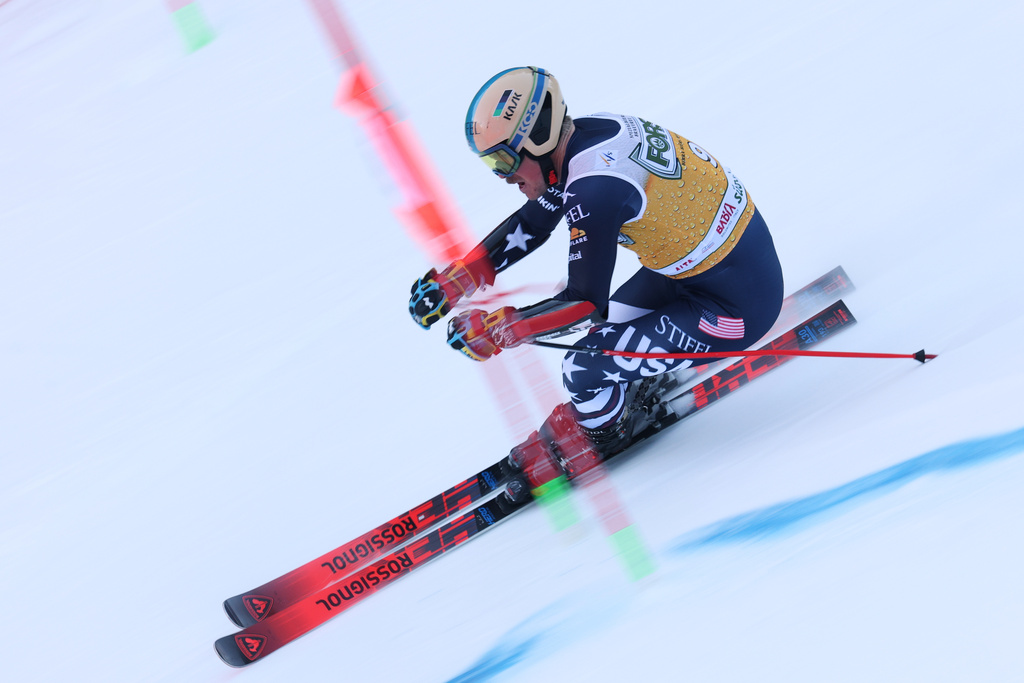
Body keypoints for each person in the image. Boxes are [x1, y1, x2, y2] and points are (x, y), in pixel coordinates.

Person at [409, 66, 784, 491]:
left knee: (582, 366)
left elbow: (583, 301)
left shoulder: (595, 185)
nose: (504, 176)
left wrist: (498, 330)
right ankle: (621, 393)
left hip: (736, 306)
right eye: (493, 164)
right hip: (705, 274)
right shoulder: (590, 138)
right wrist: (458, 281)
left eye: (505, 160)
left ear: (537, 139)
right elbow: (533, 224)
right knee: (606, 336)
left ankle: (604, 434)